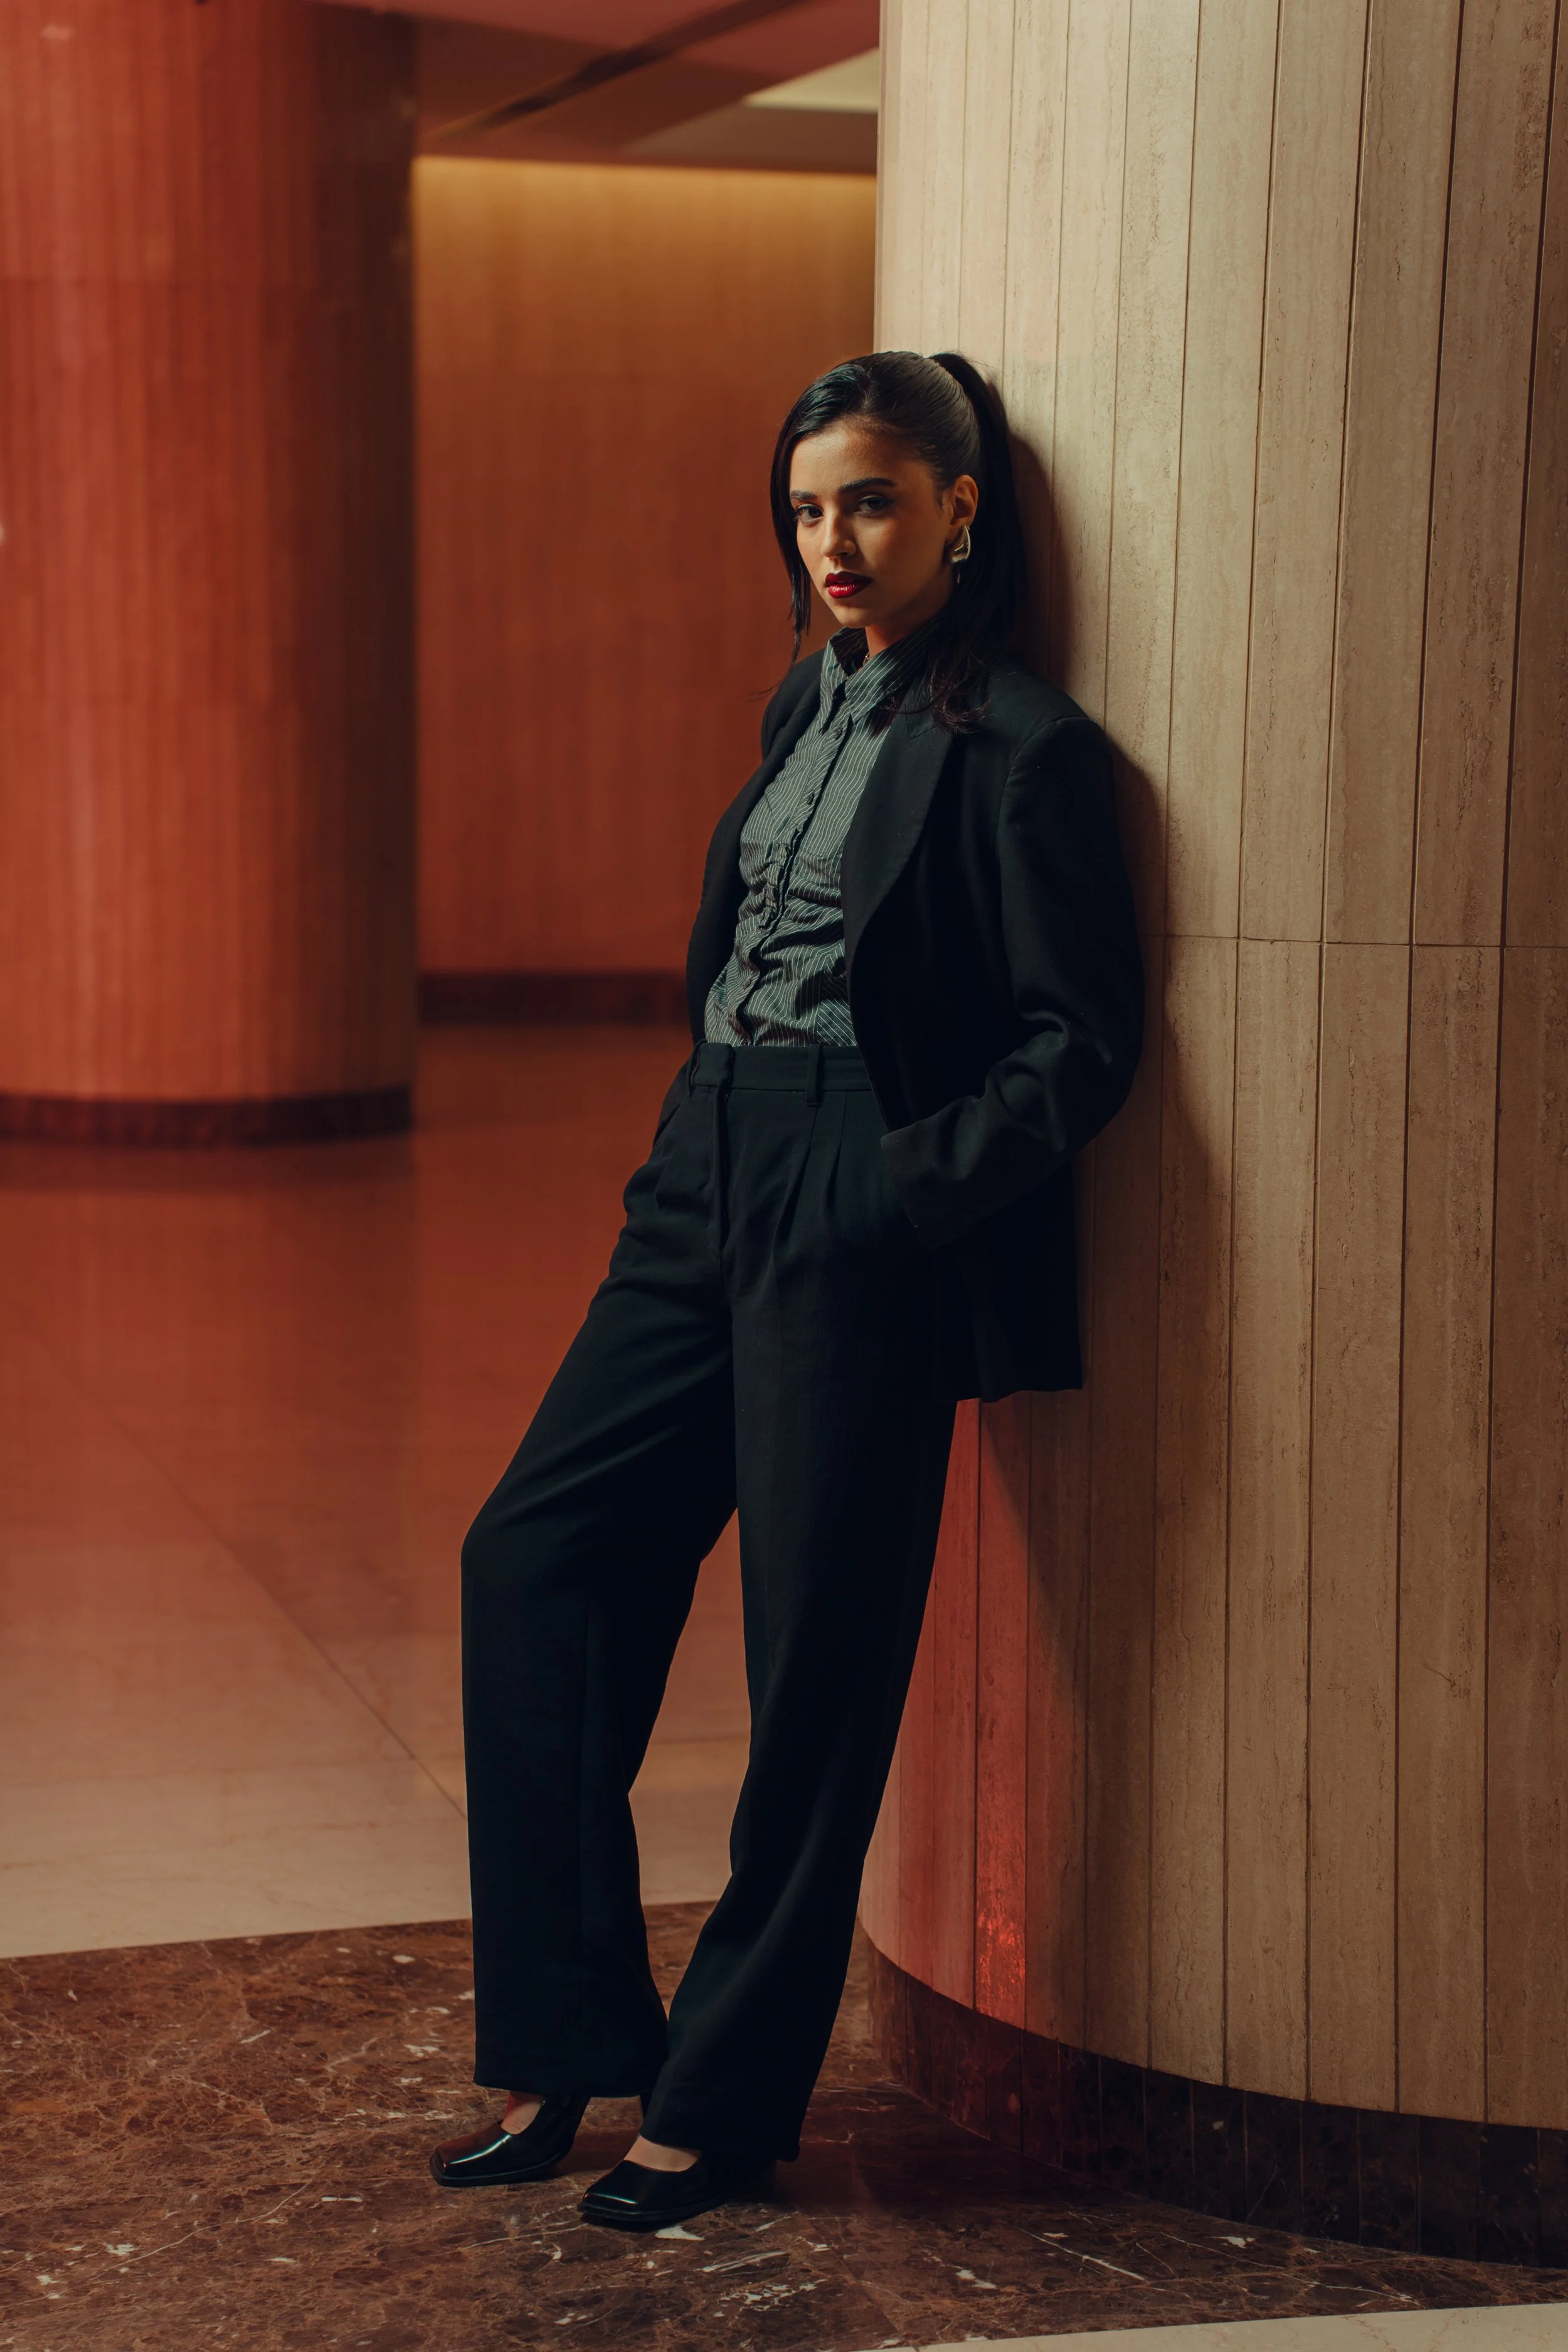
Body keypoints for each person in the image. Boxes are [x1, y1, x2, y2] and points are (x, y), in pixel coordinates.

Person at [429, 350, 1144, 2230]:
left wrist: (888, 1187)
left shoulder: (1025, 747)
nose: (834, 537)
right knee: (536, 1555)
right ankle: (568, 2026)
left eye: (876, 502)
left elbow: (1083, 1045)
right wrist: (706, 1143)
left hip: (857, 1188)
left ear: (961, 512)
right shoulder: (796, 703)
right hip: (703, 1169)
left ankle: (726, 2097)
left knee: (809, 1662)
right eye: (811, 504)